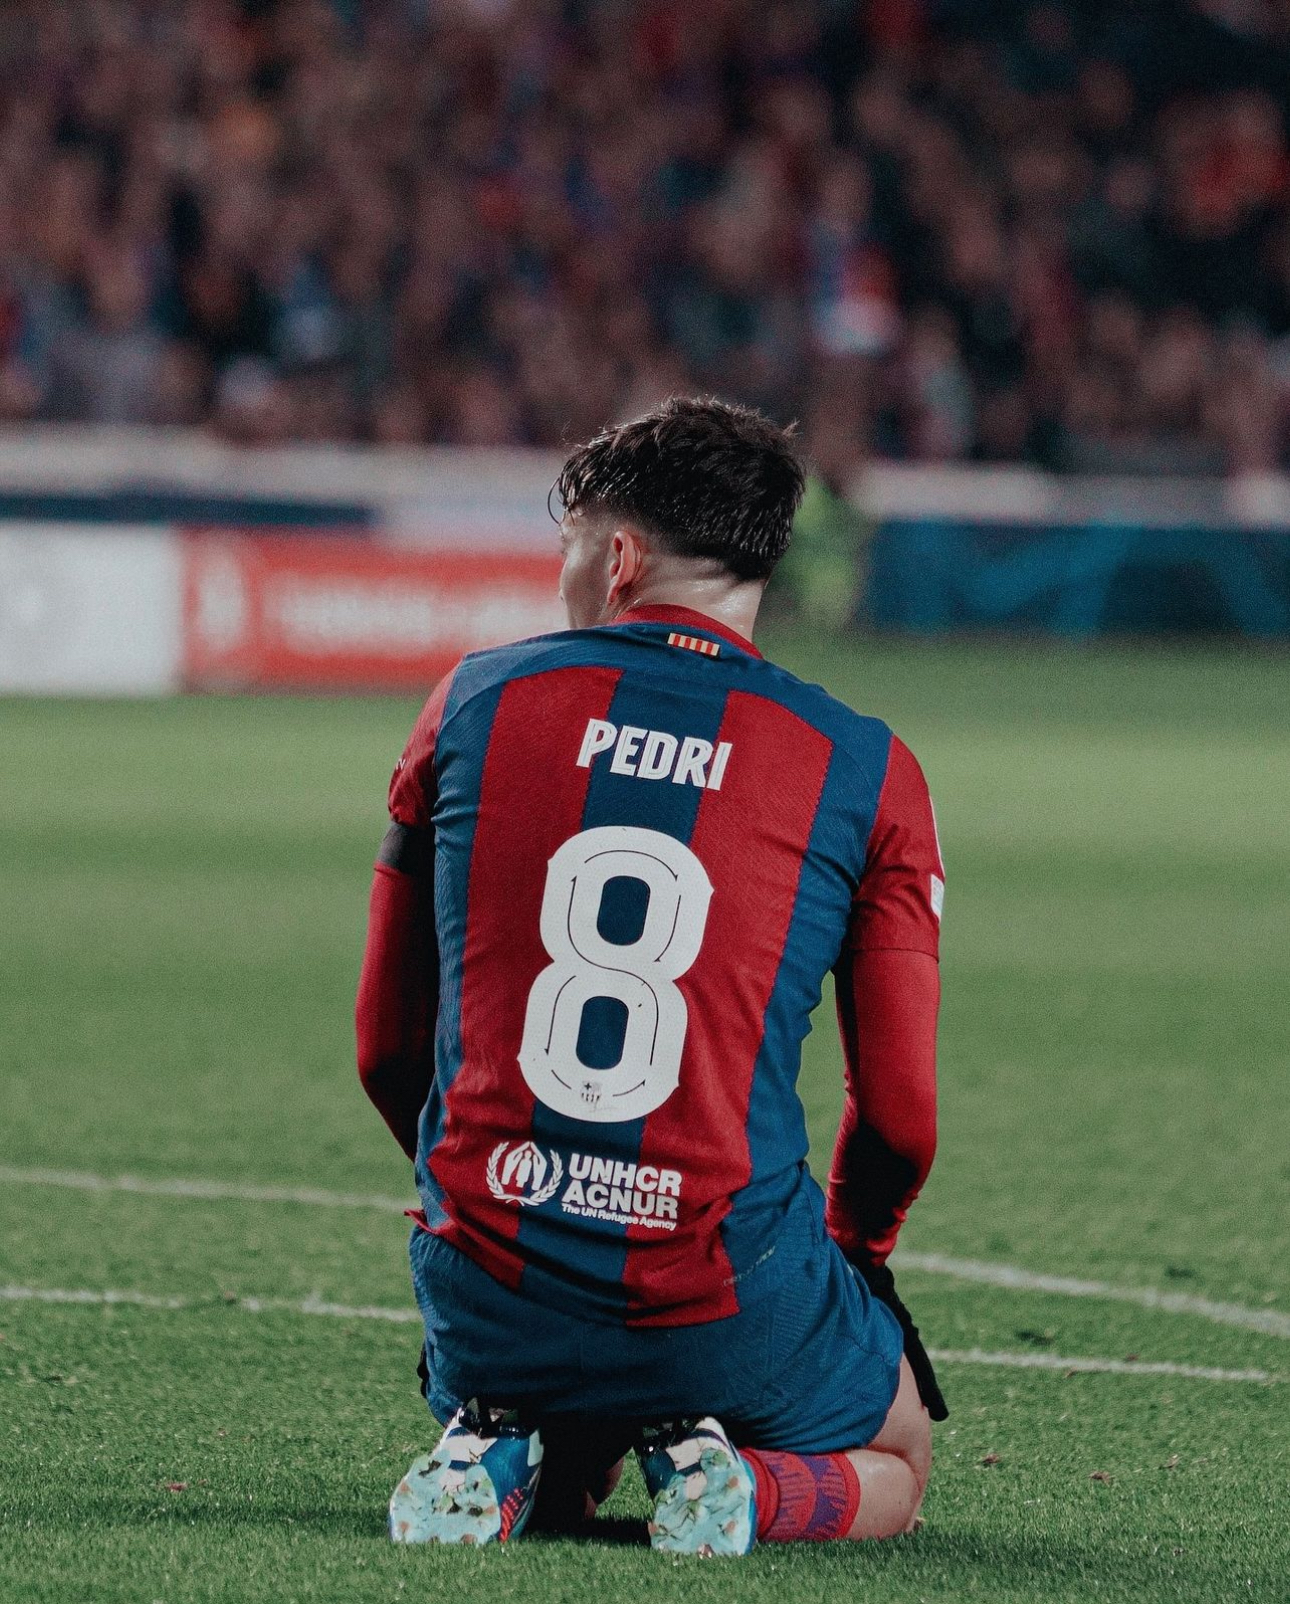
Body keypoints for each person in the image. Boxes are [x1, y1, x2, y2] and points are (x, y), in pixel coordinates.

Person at [356, 396, 946, 1555]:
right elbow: (902, 1120)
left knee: (563, 1380)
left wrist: (509, 1205)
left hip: (490, 1285)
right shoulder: (867, 766)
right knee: (901, 1452)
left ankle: (506, 1441)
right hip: (722, 1289)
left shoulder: (471, 699)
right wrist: (855, 1253)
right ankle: (739, 1487)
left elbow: (386, 1049)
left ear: (619, 559)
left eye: (570, 553)